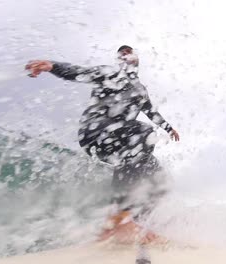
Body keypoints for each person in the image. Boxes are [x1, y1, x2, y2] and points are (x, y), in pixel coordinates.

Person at [25, 45, 179, 244]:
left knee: (158, 178)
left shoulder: (140, 89)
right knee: (144, 133)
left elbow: (150, 112)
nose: (125, 56)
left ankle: (137, 220)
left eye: (129, 53)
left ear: (137, 60)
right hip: (96, 133)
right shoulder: (109, 73)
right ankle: (119, 219)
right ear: (118, 60)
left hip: (124, 138)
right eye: (121, 54)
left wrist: (168, 128)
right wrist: (53, 66)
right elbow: (79, 72)